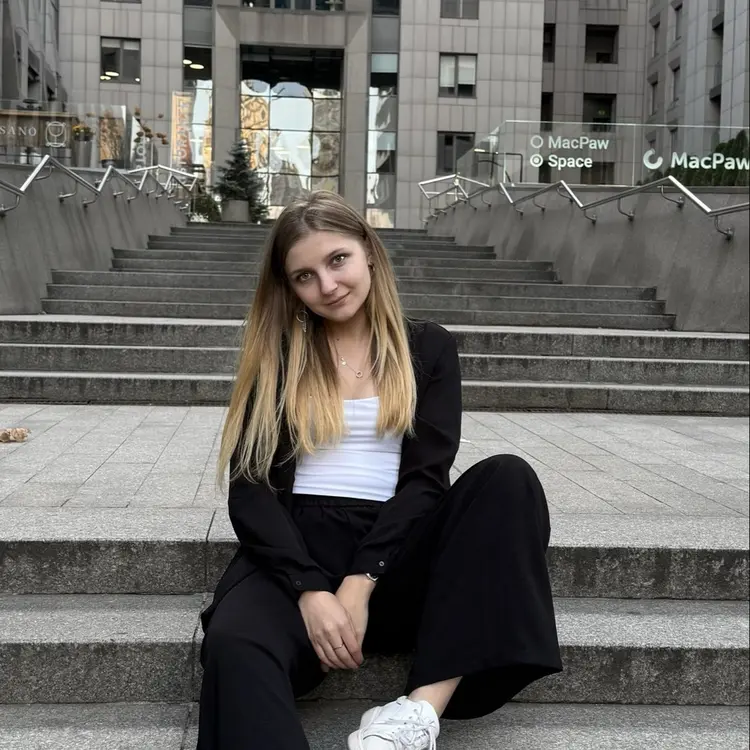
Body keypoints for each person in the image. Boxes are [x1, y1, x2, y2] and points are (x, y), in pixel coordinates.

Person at [197, 191, 563, 750]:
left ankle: (415, 716)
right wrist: (310, 589)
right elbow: (250, 491)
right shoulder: (280, 355)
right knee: (234, 642)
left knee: (508, 479)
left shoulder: (427, 347)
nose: (327, 285)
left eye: (337, 260)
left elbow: (425, 479)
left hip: (396, 553)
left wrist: (361, 580)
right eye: (304, 276)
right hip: (297, 549)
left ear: (368, 250)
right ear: (289, 287)